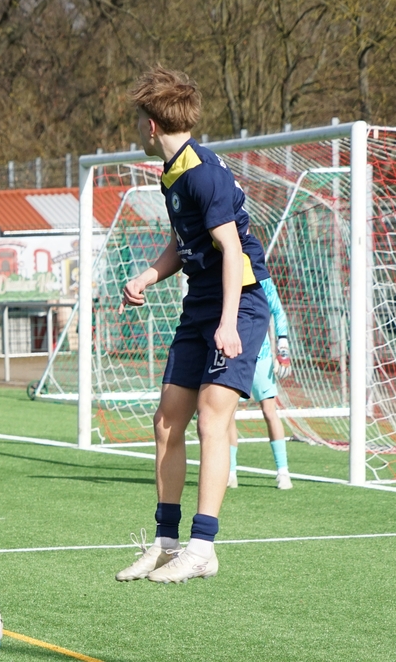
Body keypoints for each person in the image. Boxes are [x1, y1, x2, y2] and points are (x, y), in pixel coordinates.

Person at [115, 67, 271, 584]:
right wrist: (148, 275)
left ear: (152, 125)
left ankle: (202, 547)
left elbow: (231, 249)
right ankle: (166, 543)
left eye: (140, 120)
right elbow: (185, 244)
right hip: (199, 305)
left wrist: (228, 323)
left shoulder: (203, 172)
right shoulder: (174, 171)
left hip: (238, 305)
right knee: (166, 421)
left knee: (211, 419)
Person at [228, 276, 293, 490]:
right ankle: (230, 472)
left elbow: (278, 311)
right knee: (227, 413)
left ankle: (283, 472)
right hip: (232, 354)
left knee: (269, 411)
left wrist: (283, 349)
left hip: (261, 356)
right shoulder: (223, 274)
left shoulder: (261, 277)